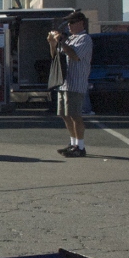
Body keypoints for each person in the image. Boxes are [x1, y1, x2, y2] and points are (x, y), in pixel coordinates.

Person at [48, 11, 93, 158]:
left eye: (72, 22)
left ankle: (80, 146)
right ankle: (73, 143)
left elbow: (75, 56)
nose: (69, 25)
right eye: (68, 23)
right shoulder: (71, 39)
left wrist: (61, 41)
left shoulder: (84, 39)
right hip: (64, 82)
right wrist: (53, 43)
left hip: (76, 82)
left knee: (75, 115)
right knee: (64, 115)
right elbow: (55, 56)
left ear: (81, 23)